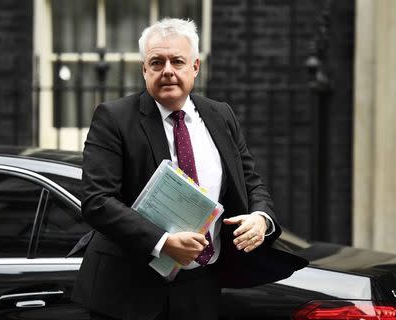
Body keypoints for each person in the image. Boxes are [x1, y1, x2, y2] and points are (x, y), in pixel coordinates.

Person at [71, 18, 307, 320]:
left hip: (201, 287)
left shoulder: (221, 115)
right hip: (127, 292)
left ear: (195, 67)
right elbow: (97, 201)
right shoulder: (114, 118)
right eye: (156, 62)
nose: (167, 70)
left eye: (177, 61)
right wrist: (163, 243)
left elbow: (251, 181)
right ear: (145, 70)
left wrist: (261, 218)